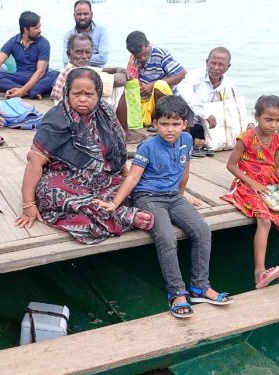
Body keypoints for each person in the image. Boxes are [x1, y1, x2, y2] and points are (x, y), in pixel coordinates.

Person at [95, 95, 232, 319]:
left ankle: (200, 286)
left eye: (176, 124)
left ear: (184, 124)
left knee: (202, 229)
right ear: (155, 123)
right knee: (167, 237)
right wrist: (114, 203)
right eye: (165, 124)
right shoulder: (147, 146)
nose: (170, 129)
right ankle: (177, 292)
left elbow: (185, 171)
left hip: (173, 196)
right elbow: (132, 179)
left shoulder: (187, 140)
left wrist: (182, 196)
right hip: (147, 196)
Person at [14, 68, 154, 244]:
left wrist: (125, 175)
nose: (82, 99)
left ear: (99, 95)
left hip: (102, 178)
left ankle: (109, 211)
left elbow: (117, 150)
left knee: (137, 188)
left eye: (89, 94)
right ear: (67, 93)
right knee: (49, 193)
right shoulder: (57, 118)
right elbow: (34, 161)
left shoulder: (106, 113)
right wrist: (29, 205)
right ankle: (123, 216)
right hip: (66, 179)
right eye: (76, 93)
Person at [222, 95, 279, 289]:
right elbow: (231, 165)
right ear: (257, 116)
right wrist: (253, 184)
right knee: (264, 220)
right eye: (269, 119)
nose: (273, 124)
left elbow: (275, 166)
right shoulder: (247, 137)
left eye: (278, 120)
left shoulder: (277, 140)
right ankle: (259, 271)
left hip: (270, 184)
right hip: (246, 184)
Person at [177, 47, 253, 157]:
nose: (216, 68)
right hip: (189, 123)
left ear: (228, 67)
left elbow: (235, 109)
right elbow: (183, 90)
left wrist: (249, 123)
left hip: (209, 127)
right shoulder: (195, 76)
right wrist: (205, 114)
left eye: (221, 65)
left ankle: (200, 142)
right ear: (207, 62)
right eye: (213, 63)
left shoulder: (228, 84)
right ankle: (189, 142)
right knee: (185, 102)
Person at [117, 31, 187, 143]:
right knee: (125, 88)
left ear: (148, 44)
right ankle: (140, 123)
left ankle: (161, 120)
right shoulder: (133, 58)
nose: (142, 58)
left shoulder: (160, 54)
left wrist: (152, 85)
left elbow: (181, 74)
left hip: (163, 102)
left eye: (145, 54)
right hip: (145, 102)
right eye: (139, 57)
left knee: (160, 85)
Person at [0, 11, 59, 99]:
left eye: (39, 27)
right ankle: (32, 92)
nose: (40, 30)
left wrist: (22, 91)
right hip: (21, 76)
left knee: (55, 75)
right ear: (26, 29)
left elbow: (40, 71)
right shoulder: (13, 41)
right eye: (36, 28)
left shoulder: (44, 43)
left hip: (39, 77)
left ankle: (22, 90)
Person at [50, 33, 127, 108]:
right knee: (119, 89)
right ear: (69, 54)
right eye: (79, 52)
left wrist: (118, 69)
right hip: (70, 115)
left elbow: (100, 70)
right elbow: (119, 80)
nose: (84, 56)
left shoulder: (74, 68)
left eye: (88, 52)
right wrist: (125, 74)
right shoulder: (74, 74)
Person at [61, 0, 109, 67]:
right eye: (79, 14)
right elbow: (66, 61)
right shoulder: (69, 35)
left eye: (85, 14)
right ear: (74, 15)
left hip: (98, 72)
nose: (82, 17)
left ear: (91, 14)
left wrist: (77, 57)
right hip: (76, 72)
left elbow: (103, 58)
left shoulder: (101, 31)